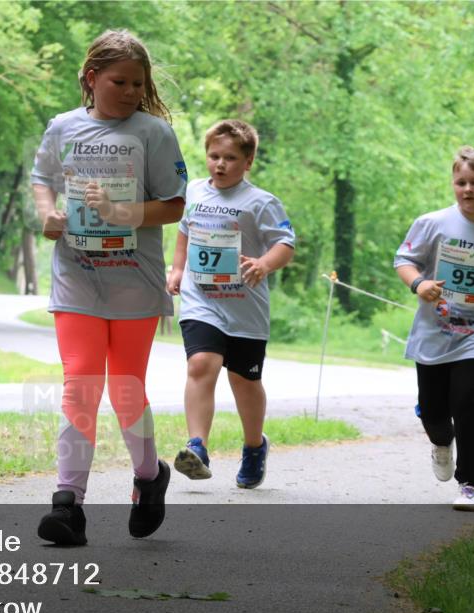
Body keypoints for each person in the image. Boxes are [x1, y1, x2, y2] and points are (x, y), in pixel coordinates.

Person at [30, 29, 187, 545]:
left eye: (138, 84)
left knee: (126, 391)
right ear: (92, 78)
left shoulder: (154, 134)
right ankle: (68, 502)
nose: (130, 91)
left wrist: (124, 213)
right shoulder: (63, 127)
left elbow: (174, 205)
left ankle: (148, 478)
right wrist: (47, 214)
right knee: (80, 383)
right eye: (119, 81)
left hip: (133, 283)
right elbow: (42, 178)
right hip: (75, 275)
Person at [394, 146, 474, 511]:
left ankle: (470, 483)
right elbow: (404, 260)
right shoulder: (432, 223)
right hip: (434, 331)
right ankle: (440, 442)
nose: (468, 189)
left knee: (468, 401)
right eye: (461, 182)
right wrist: (419, 284)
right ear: (453, 184)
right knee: (434, 409)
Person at [166, 120, 295, 488]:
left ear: (248, 161)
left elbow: (285, 243)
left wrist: (264, 263)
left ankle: (254, 447)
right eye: (213, 156)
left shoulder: (261, 202)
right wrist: (177, 269)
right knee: (201, 364)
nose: (220, 164)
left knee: (244, 380)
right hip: (201, 300)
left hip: (245, 308)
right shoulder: (193, 192)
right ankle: (198, 447)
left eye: (230, 158)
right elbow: (184, 232)